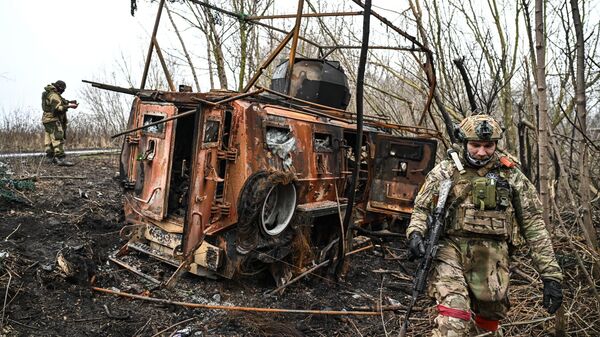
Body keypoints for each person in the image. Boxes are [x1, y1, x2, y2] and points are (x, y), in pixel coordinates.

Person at [406, 114, 563, 336]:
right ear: (464, 143)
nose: (482, 152)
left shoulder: (511, 175)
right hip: (451, 249)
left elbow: (534, 225)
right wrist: (415, 233)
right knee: (454, 317)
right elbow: (422, 209)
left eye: (488, 146)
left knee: (488, 322)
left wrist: (551, 276)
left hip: (493, 255)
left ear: (496, 144)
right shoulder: (445, 171)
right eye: (475, 145)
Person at [41, 80, 78, 166]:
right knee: (58, 138)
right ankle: (60, 159)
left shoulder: (48, 93)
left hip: (46, 120)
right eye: (63, 89)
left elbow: (59, 100)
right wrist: (70, 106)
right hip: (53, 119)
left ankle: (50, 158)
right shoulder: (53, 95)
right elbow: (58, 108)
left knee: (49, 139)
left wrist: (69, 102)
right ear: (60, 88)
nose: (63, 91)